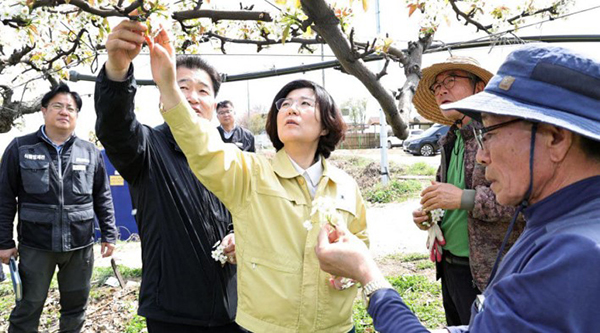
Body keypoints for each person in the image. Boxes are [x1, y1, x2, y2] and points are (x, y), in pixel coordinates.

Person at [315, 44, 600, 332]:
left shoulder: (572, 258)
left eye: (488, 132)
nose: (482, 155)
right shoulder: (555, 224)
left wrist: (367, 274)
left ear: (555, 138)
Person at [144, 25, 368, 333]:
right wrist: (170, 89)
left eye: (305, 103)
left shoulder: (346, 186)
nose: (292, 109)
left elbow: (361, 242)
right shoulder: (249, 173)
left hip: (336, 327)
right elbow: (202, 146)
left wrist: (349, 272)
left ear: (327, 125)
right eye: (284, 104)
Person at [95, 19, 244, 332]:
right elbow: (115, 126)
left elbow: (250, 214)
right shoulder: (148, 147)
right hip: (174, 314)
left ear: (214, 104)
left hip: (236, 308)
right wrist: (117, 71)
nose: (191, 97)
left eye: (202, 90)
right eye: (181, 86)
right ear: (165, 94)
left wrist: (239, 237)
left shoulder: (233, 157)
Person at [411, 56, 522, 325]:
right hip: (452, 267)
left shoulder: (499, 134)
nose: (441, 90)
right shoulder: (450, 139)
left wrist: (463, 198)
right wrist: (431, 214)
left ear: (479, 88)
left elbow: (523, 203)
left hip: (491, 273)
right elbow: (447, 195)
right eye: (436, 87)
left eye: (451, 80)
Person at [0, 83, 117, 332]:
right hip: (35, 246)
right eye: (58, 106)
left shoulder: (90, 152)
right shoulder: (20, 148)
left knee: (76, 309)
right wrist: (4, 241)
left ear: (76, 115)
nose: (65, 111)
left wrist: (109, 234)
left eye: (71, 108)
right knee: (27, 307)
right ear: (43, 111)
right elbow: (5, 198)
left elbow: (102, 196)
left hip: (80, 246)